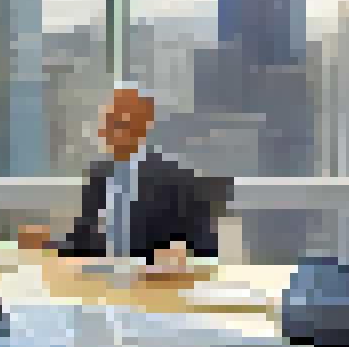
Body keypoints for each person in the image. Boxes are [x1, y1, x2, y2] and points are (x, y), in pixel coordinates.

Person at [18, 86, 218, 263]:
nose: (109, 130)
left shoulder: (179, 180)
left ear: (143, 124)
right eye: (107, 121)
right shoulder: (99, 175)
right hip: (100, 283)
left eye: (119, 122)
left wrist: (181, 259)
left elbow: (206, 248)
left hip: (153, 285)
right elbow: (83, 241)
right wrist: (48, 242)